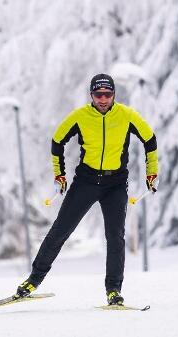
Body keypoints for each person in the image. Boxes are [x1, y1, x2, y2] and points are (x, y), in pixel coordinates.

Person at [13, 73, 159, 306]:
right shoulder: (80, 116)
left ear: (114, 95)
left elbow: (150, 140)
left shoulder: (127, 115)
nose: (103, 99)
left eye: (107, 94)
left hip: (115, 185)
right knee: (60, 231)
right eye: (98, 94)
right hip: (86, 182)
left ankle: (113, 290)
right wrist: (59, 174)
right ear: (91, 95)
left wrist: (152, 172)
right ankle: (33, 281)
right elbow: (57, 142)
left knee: (115, 237)